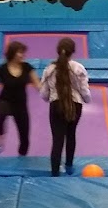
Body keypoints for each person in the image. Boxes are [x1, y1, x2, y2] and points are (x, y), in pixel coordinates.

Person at [39, 37, 92, 176]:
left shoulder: (50, 69)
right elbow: (84, 90)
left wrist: (50, 96)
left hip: (56, 105)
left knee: (57, 139)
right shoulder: (78, 68)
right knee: (71, 134)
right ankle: (69, 166)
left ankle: (55, 172)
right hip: (75, 105)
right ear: (72, 51)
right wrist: (87, 99)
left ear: (58, 51)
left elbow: (44, 94)